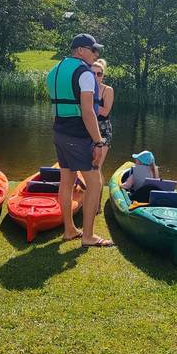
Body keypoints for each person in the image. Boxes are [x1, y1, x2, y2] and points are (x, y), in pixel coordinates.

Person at [47, 33, 113, 247]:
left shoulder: (55, 71)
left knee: (66, 181)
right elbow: (87, 112)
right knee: (95, 182)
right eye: (94, 50)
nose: (96, 54)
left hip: (59, 131)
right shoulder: (84, 74)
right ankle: (88, 236)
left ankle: (69, 230)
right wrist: (99, 141)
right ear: (81, 51)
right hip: (78, 135)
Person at [92, 59, 114, 174]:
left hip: (103, 130)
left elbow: (105, 112)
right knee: (87, 166)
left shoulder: (108, 90)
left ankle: (97, 192)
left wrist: (89, 103)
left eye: (99, 74)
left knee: (97, 166)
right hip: (89, 128)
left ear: (102, 76)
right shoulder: (85, 89)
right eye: (93, 73)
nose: (96, 76)